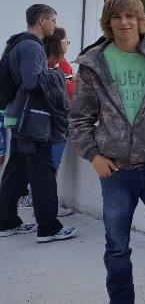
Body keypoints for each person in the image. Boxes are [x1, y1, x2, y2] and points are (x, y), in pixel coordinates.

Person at [69, 0, 145, 303]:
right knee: (117, 247)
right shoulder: (93, 63)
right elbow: (79, 119)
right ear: (108, 22)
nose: (124, 22)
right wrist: (94, 155)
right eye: (116, 17)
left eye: (130, 16)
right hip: (115, 172)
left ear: (141, 19)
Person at [0, 3, 76, 243]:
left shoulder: (16, 43)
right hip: (32, 118)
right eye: (53, 20)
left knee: (16, 170)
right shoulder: (33, 47)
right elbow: (33, 82)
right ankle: (48, 228)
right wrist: (58, 75)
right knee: (43, 171)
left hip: (18, 114)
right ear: (42, 20)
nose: (55, 24)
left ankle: (6, 221)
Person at [44, 27, 74, 217]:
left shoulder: (43, 62)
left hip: (41, 122)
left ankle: (35, 199)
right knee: (51, 165)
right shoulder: (62, 65)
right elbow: (69, 96)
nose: (68, 45)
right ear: (58, 42)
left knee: (43, 165)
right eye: (66, 41)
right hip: (58, 122)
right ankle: (49, 208)